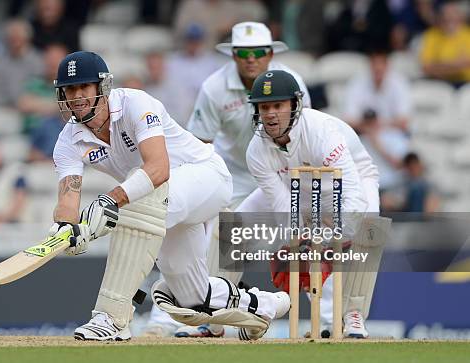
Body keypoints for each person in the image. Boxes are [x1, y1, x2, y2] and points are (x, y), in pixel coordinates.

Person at [49, 51, 290, 341]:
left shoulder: (135, 104)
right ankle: (263, 306)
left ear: (102, 86)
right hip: (164, 207)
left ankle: (111, 316)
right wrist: (65, 229)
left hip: (205, 177)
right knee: (192, 298)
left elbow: (158, 168)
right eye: (70, 89)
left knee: (136, 202)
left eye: (83, 87)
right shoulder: (68, 140)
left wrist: (110, 201)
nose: (76, 96)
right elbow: (68, 197)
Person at [145, 21, 312, 337]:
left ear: (270, 54)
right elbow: (198, 146)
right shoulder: (214, 87)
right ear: (233, 55)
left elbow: (303, 137)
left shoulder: (293, 83)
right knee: (222, 239)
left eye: (258, 52)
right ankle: (211, 319)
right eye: (243, 53)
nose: (251, 59)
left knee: (313, 236)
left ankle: (332, 321)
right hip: (233, 176)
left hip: (283, 174)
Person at [243, 70, 380, 339]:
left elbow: (352, 193)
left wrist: (331, 243)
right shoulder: (255, 151)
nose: (271, 114)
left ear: (295, 105)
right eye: (265, 106)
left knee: (369, 226)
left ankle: (353, 314)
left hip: (348, 183)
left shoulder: (320, 132)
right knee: (230, 224)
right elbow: (283, 206)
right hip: (296, 187)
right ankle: (214, 313)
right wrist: (298, 242)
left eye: (278, 106)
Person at [344, 48, 412, 134]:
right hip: (364, 133)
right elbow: (349, 119)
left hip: (394, 134)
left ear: (387, 65)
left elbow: (404, 121)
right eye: (374, 64)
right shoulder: (357, 82)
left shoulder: (399, 83)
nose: (378, 68)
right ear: (369, 65)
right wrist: (369, 127)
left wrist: (379, 125)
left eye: (381, 64)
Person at [0, 19, 43, 106]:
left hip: (30, 109)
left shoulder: (37, 61)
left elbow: (39, 89)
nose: (15, 41)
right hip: (4, 107)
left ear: (27, 39)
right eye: (12, 38)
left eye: (18, 37)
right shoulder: (1, 61)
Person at [419, 0, 470, 86]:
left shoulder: (467, 34)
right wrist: (457, 65)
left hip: (465, 84)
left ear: (459, 17)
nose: (449, 18)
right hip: (438, 84)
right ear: (440, 18)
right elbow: (426, 68)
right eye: (445, 16)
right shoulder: (431, 35)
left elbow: (467, 63)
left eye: (452, 15)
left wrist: (439, 66)